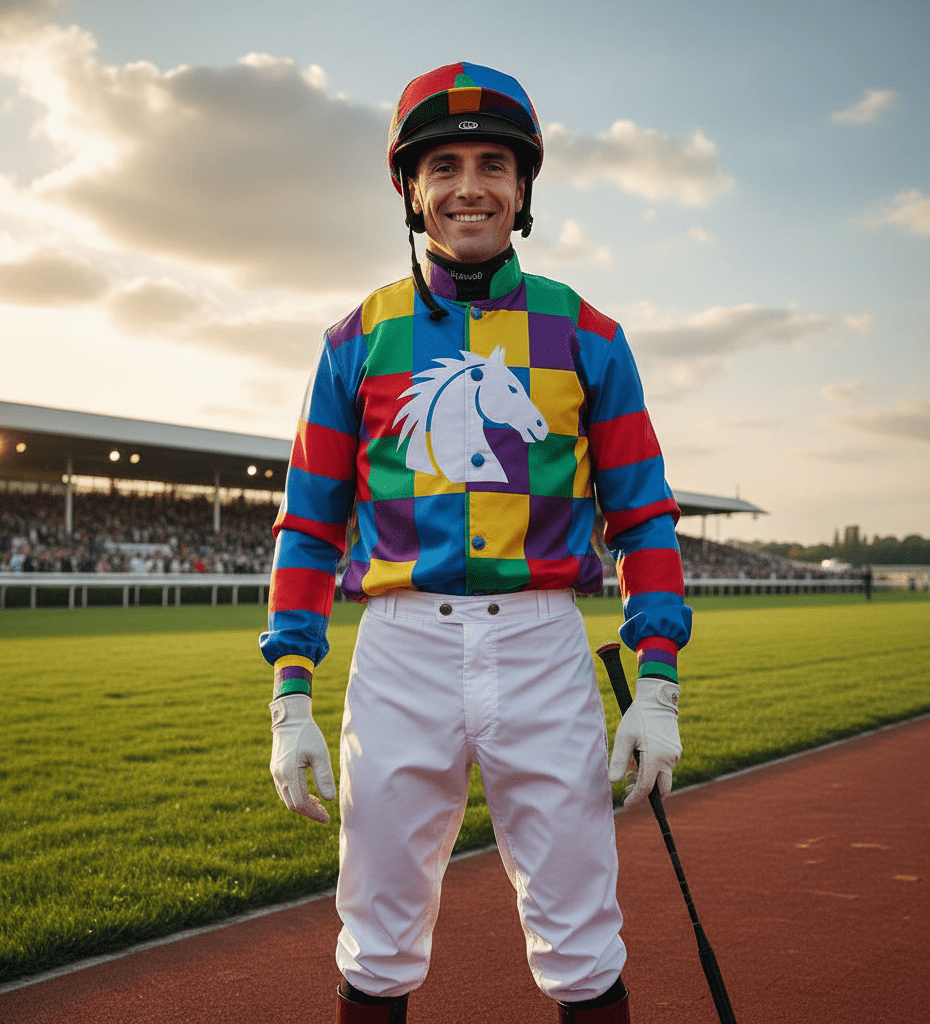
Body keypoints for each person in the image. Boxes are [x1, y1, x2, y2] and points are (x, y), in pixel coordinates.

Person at [260, 63, 692, 1024]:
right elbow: (310, 523)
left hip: (543, 646)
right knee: (375, 940)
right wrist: (290, 692)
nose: (469, 187)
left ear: (524, 188)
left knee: (583, 938)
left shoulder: (589, 334)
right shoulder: (354, 340)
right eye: (443, 165)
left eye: (493, 164)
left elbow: (643, 514)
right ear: (410, 189)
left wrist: (656, 680)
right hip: (400, 651)